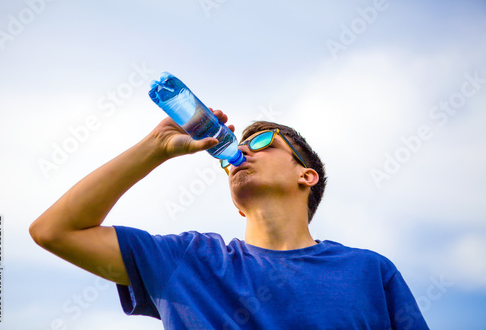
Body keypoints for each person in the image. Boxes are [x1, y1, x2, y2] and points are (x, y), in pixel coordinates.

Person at [30, 110, 429, 329]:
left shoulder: (369, 272)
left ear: (306, 176)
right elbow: (54, 231)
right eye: (236, 149)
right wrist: (154, 148)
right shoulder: (187, 259)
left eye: (261, 141)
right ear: (237, 205)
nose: (241, 153)